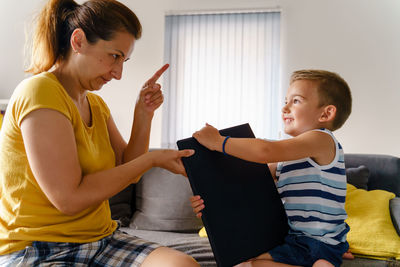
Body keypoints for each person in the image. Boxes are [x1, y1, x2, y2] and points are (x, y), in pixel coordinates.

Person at [0, 0, 199, 266]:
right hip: (40, 247)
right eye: (115, 56)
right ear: (79, 41)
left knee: (182, 264)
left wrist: (143, 114)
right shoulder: (40, 92)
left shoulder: (95, 104)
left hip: (102, 239)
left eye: (124, 60)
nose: (118, 73)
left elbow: (128, 170)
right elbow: (68, 200)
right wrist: (153, 159)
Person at [190, 70, 353, 267]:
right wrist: (210, 200)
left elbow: (265, 150)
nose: (285, 107)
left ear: (326, 113)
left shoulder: (322, 139)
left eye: (296, 101)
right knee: (242, 262)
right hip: (295, 241)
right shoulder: (286, 162)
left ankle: (324, 261)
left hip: (323, 243)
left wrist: (219, 141)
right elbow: (243, 182)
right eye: (286, 100)